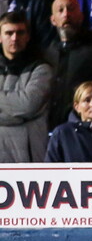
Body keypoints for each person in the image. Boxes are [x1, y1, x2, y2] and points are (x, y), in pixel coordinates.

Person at [44, 0, 92, 126]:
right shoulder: (48, 53)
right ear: (53, 20)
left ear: (81, 16)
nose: (66, 14)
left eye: (71, 9)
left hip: (86, 128)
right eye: (60, 10)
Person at [0, 11, 52, 162]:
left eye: (20, 32)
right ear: (0, 37)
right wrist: (18, 117)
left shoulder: (42, 69)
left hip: (28, 161)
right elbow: (22, 108)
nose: (15, 38)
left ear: (28, 36)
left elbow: (27, 105)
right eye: (9, 33)